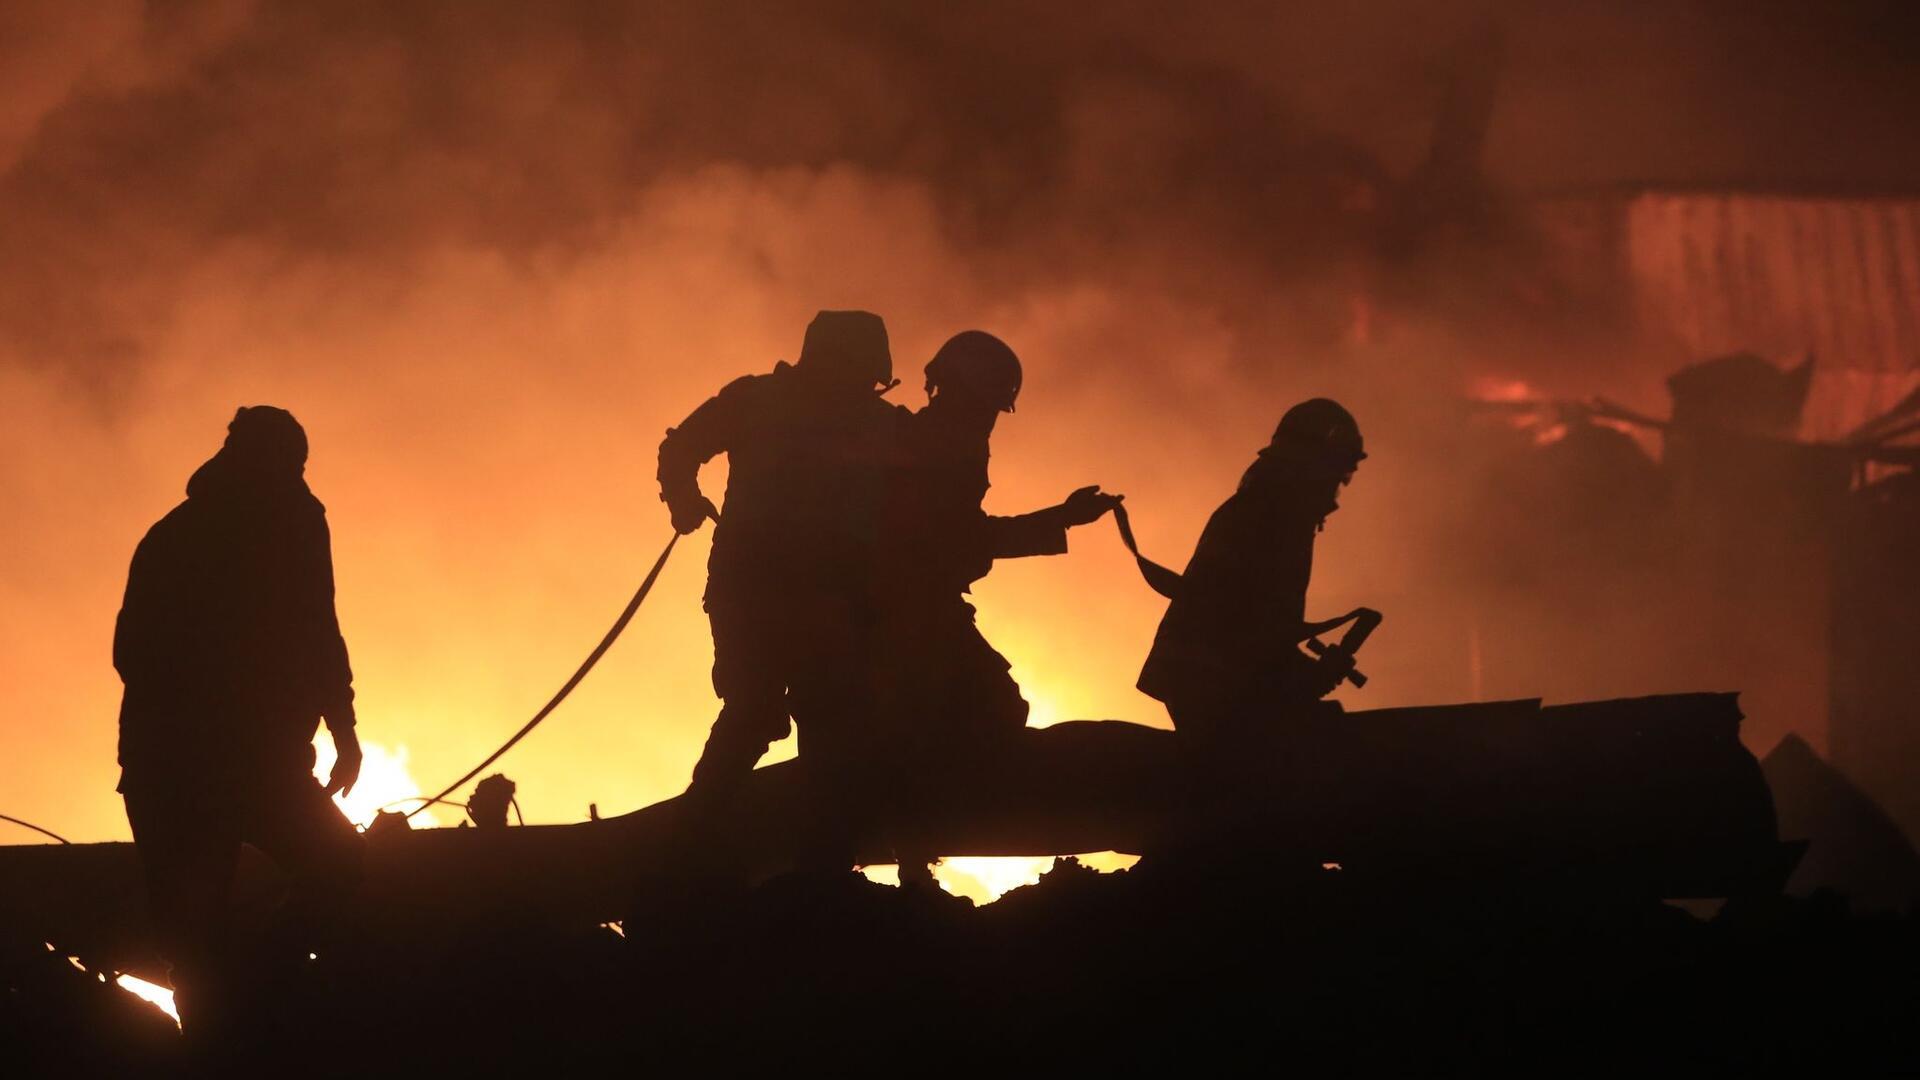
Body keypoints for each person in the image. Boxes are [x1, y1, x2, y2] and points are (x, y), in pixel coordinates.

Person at [113, 406, 365, 1036]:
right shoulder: (290, 525)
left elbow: (131, 653)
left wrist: (340, 726)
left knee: (198, 950)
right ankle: (251, 1006)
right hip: (220, 768)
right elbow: (317, 629)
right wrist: (339, 729)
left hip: (182, 768)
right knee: (336, 876)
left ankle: (238, 1011)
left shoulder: (173, 535)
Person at [873, 331, 1120, 887]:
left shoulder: (938, 439)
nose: (991, 418)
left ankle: (916, 851)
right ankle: (916, 850)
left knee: (962, 713)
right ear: (962, 393)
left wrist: (1060, 517)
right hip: (905, 612)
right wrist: (1059, 519)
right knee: (977, 711)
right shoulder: (936, 445)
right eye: (987, 404)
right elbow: (957, 538)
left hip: (916, 607)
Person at [657, 311, 903, 846]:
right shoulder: (856, 419)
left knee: (792, 712)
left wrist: (683, 500)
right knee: (769, 710)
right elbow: (680, 448)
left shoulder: (761, 401)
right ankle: (695, 846)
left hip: (795, 595)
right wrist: (681, 499)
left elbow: (680, 448)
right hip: (771, 593)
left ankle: (708, 845)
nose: (866, 388)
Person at [1137, 398, 1367, 759]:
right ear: (1314, 462)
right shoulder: (1274, 516)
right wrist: (1298, 675)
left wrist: (1297, 672)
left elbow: (1256, 618)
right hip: (1210, 679)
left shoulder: (1270, 507)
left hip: (1205, 675)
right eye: (1337, 470)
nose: (1338, 486)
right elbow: (1241, 621)